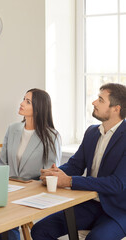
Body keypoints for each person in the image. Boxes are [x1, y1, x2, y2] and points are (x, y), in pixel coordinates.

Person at [31, 83, 126, 240]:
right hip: (89, 204)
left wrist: (69, 181)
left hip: (119, 210)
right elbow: (75, 165)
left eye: (100, 100)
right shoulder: (91, 133)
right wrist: (54, 174)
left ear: (116, 108)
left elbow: (116, 184)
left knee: (96, 239)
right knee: (40, 230)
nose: (94, 102)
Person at [0, 88, 61, 240]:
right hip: (8, 189)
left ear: (39, 108)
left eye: (27, 101)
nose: (21, 103)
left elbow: (51, 173)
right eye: (23, 99)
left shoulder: (51, 136)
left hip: (32, 192)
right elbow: (3, 163)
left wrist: (27, 188)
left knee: (7, 221)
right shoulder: (12, 129)